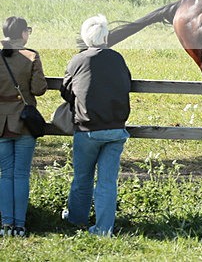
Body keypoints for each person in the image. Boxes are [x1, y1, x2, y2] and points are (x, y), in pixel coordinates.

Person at [61, 15, 131, 237]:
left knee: (82, 177)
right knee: (107, 183)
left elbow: (66, 90)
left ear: (85, 37)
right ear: (106, 36)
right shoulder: (117, 59)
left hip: (87, 129)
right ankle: (103, 228)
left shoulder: (78, 60)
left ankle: (76, 218)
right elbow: (127, 83)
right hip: (115, 129)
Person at [0, 17, 47, 238]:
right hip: (24, 123)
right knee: (21, 175)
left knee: (5, 175)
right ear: (23, 34)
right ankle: (19, 225)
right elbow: (39, 89)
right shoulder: (31, 55)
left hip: (1, 123)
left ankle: (5, 224)